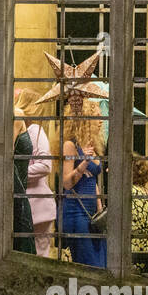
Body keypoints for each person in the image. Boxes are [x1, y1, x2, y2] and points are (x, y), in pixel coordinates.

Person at [60, 97, 106, 267]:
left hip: (92, 214)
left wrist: (100, 210)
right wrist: (84, 162)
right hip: (76, 212)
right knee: (88, 265)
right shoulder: (70, 146)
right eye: (97, 117)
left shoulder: (94, 146)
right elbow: (66, 183)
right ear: (85, 120)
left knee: (101, 263)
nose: (101, 121)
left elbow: (92, 180)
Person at [15, 88, 56, 257]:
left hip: (38, 203)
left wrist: (19, 173)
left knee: (39, 254)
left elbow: (45, 166)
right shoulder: (28, 129)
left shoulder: (35, 130)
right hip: (32, 202)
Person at [10, 91, 36, 254]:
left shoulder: (15, 115)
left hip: (19, 186)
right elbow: (7, 153)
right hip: (15, 188)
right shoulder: (15, 114)